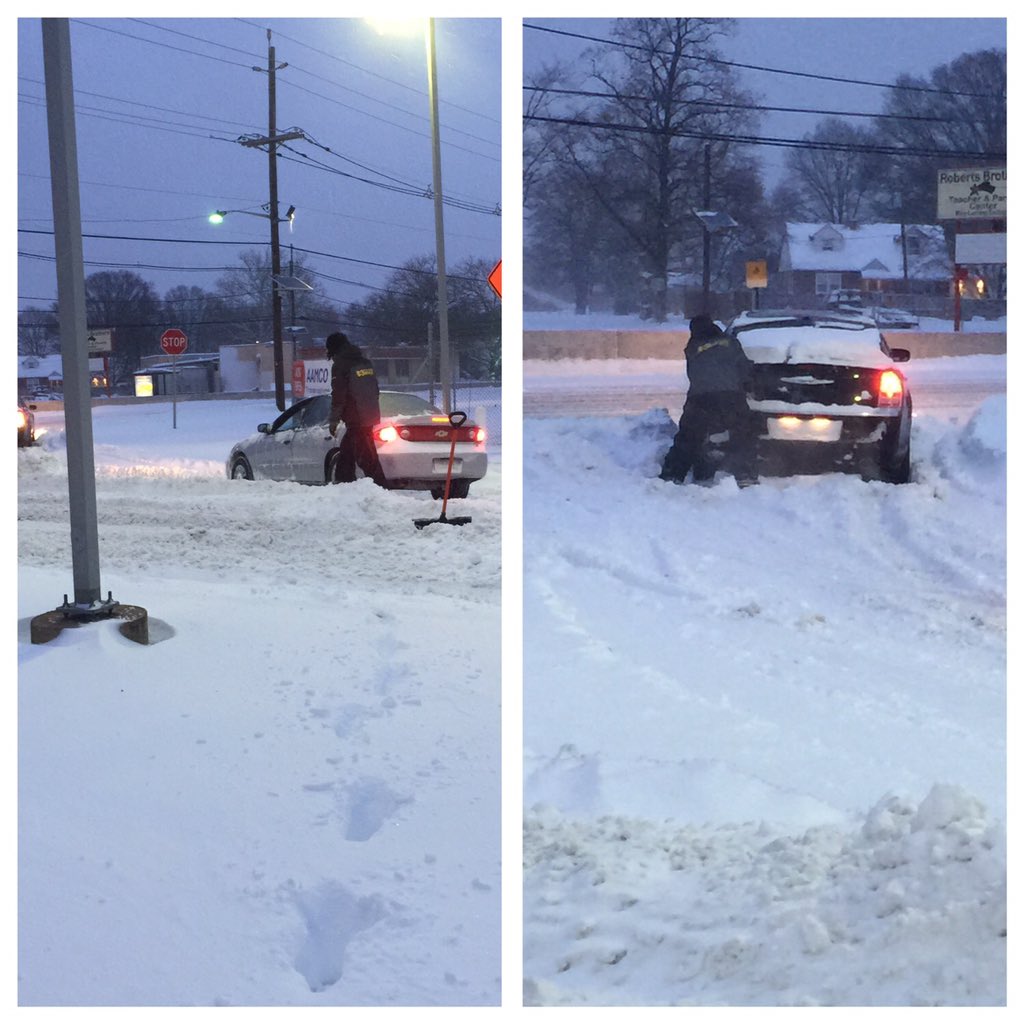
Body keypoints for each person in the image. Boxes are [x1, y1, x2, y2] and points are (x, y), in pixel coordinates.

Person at [660, 314, 759, 487]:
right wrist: (747, 386)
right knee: (742, 434)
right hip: (731, 396)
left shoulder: (692, 348)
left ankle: (672, 475)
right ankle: (746, 474)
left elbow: (694, 375)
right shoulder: (730, 342)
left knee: (687, 438)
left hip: (700, 399)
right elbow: (744, 368)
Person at [326, 331, 387, 487]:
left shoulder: (340, 365)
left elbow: (339, 395)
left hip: (356, 417)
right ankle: (343, 483)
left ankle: (380, 488)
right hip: (369, 415)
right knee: (347, 452)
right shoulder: (365, 362)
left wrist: (334, 420)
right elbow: (375, 389)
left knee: (366, 457)